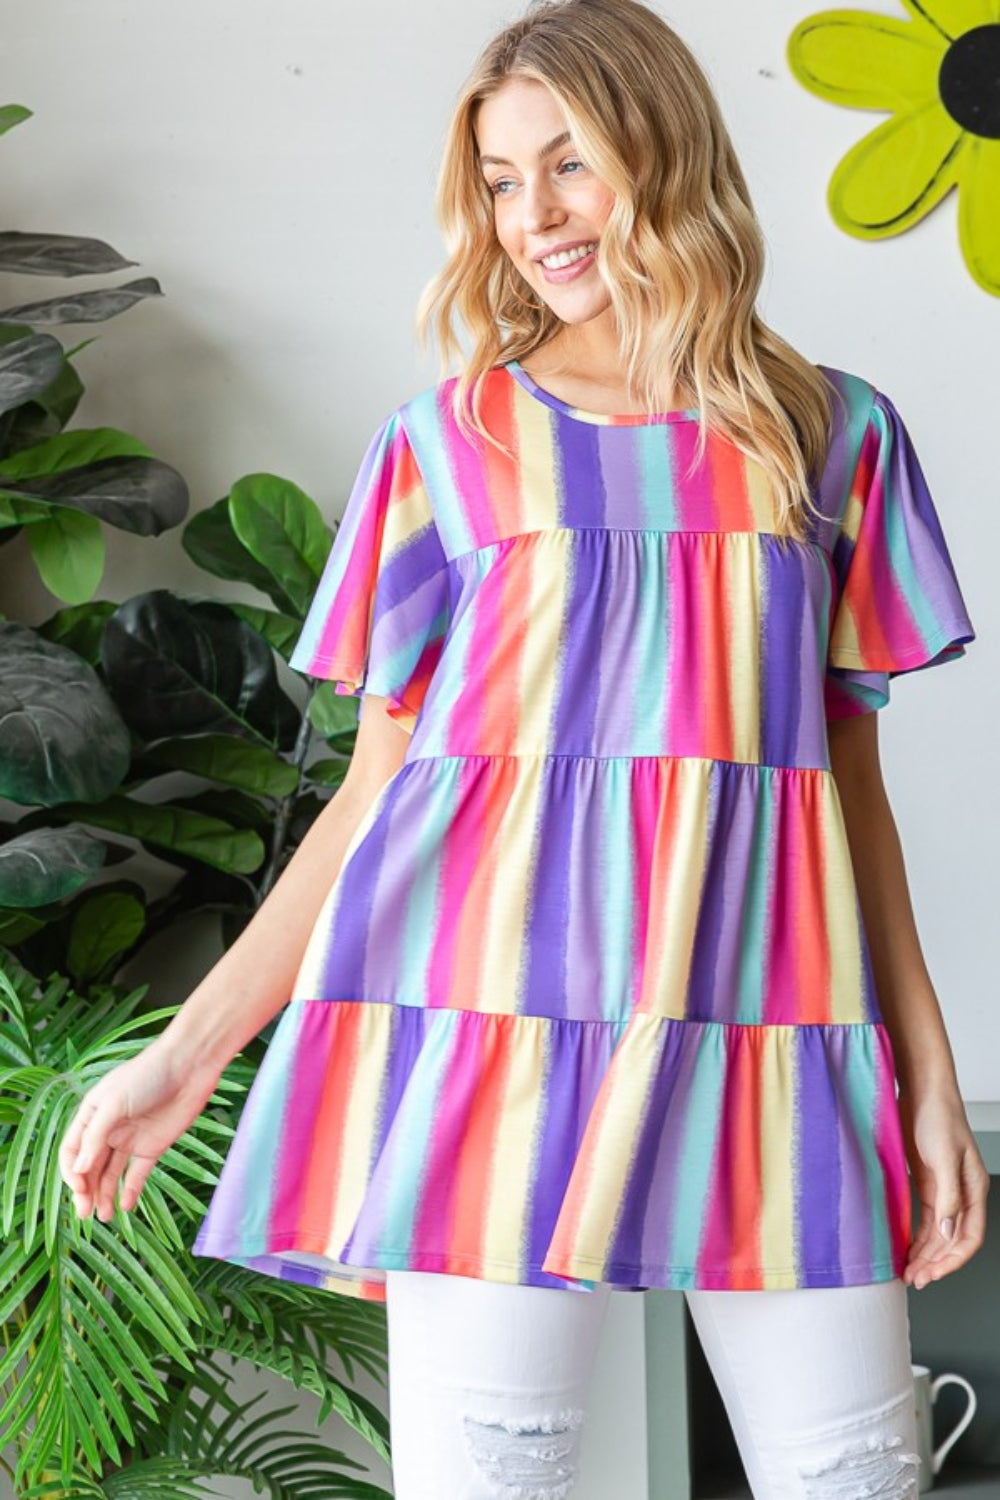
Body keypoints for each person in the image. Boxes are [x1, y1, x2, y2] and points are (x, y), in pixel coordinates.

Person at [58, 0, 989, 1495]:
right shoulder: (446, 446)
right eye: (499, 179)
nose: (533, 215)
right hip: (484, 1046)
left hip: (768, 1044)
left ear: (665, 151)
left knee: (859, 1476)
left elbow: (847, 801)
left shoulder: (830, 436)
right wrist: (184, 1058)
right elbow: (377, 800)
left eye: (571, 163)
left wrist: (927, 1083)